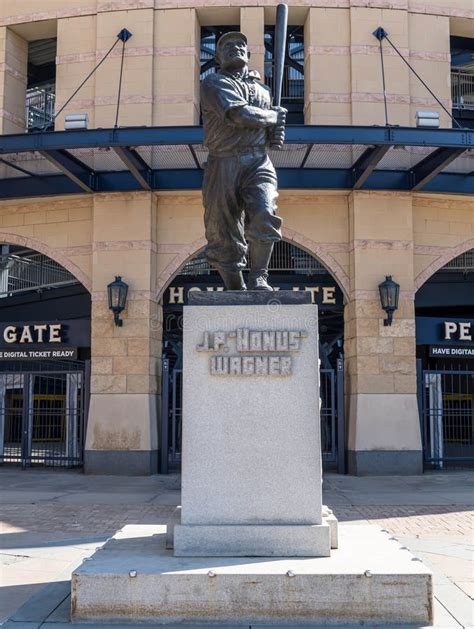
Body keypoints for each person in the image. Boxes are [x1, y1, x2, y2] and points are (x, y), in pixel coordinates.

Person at [200, 31, 287, 290]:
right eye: (226, 46)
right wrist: (273, 118)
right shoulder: (213, 83)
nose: (234, 48)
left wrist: (277, 127)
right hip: (222, 162)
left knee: (264, 213)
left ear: (248, 55)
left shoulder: (264, 91)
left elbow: (268, 135)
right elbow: (239, 115)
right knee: (221, 230)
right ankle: (235, 287)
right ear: (217, 57)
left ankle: (259, 276)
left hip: (258, 161)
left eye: (240, 45)